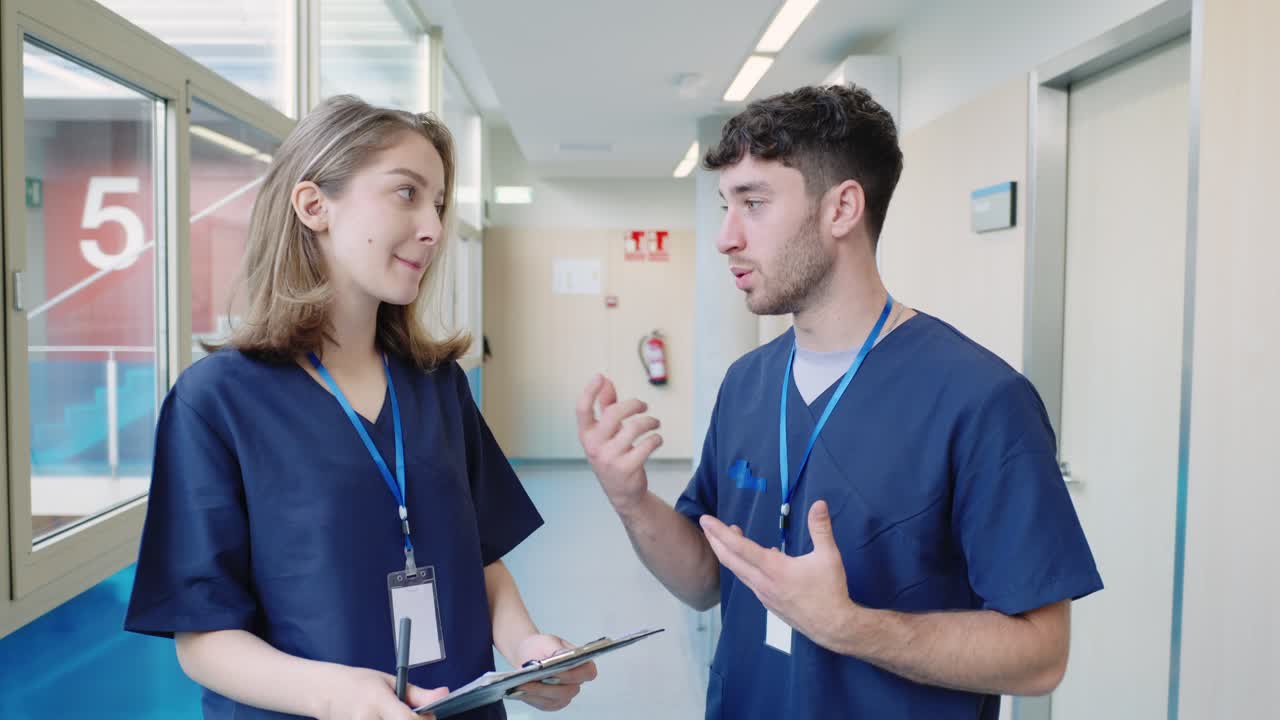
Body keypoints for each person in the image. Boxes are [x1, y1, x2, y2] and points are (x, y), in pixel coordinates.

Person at [575, 84, 1102, 719]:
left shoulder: (980, 401)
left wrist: (849, 626)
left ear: (842, 208)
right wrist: (630, 499)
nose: (725, 237)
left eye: (754, 204)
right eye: (725, 205)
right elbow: (706, 582)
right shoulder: (747, 384)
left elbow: (1042, 655)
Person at [125, 95, 595, 720]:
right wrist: (335, 696)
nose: (432, 227)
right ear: (313, 205)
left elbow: (482, 561)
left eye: (439, 204)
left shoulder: (438, 386)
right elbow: (203, 639)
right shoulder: (216, 401)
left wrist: (528, 647)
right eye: (407, 194)